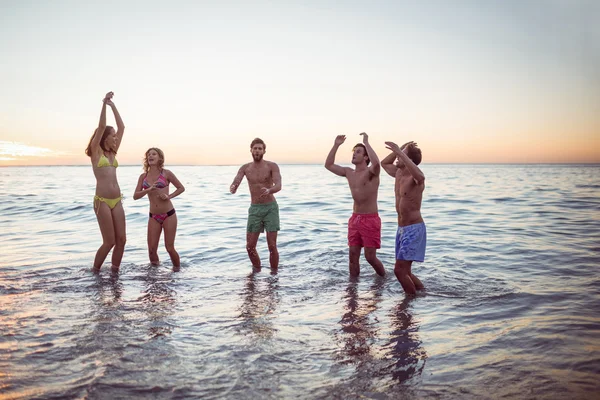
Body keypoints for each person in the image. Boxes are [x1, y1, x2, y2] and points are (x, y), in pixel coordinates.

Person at [324, 133, 386, 277]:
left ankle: (383, 279)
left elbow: (376, 164)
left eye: (358, 152)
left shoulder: (371, 173)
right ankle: (352, 290)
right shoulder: (348, 172)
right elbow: (328, 165)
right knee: (352, 256)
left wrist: (366, 142)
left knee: (370, 257)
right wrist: (336, 145)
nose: (354, 154)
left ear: (365, 157)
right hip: (355, 218)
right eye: (354, 151)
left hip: (370, 219)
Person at [85, 91, 126, 273]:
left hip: (117, 200)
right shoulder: (96, 152)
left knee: (122, 240)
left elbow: (122, 127)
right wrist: (104, 104)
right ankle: (95, 272)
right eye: (113, 135)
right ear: (105, 137)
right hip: (102, 201)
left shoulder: (113, 153)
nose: (116, 137)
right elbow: (101, 126)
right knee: (109, 242)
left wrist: (113, 105)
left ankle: (114, 274)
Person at [381, 141, 426, 295]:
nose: (396, 158)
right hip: (401, 230)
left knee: (399, 271)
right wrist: (399, 149)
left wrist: (401, 153)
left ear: (409, 160)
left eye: (401, 155)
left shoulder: (415, 178)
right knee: (405, 270)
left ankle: (408, 304)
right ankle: (421, 293)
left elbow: (420, 176)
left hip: (414, 228)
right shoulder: (398, 173)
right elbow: (384, 163)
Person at [230, 138, 282, 269]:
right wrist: (233, 186)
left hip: (270, 208)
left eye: (260, 148)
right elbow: (236, 180)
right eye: (255, 148)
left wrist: (270, 190)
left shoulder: (272, 166)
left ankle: (274, 276)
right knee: (250, 247)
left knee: (272, 246)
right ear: (251, 150)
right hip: (255, 209)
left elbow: (279, 185)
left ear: (264, 151)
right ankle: (256, 271)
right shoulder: (245, 168)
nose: (257, 151)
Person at [133, 148, 185, 270]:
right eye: (148, 154)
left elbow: (181, 188)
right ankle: (154, 276)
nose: (150, 156)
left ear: (160, 158)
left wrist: (169, 196)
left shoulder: (166, 173)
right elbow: (135, 196)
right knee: (151, 250)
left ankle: (177, 272)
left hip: (168, 215)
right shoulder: (143, 177)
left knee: (169, 248)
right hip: (153, 216)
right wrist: (148, 190)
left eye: (154, 154)